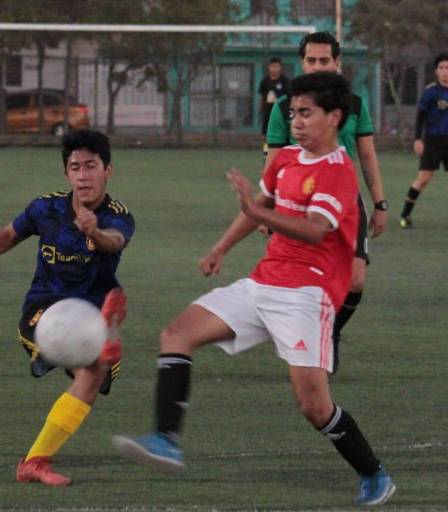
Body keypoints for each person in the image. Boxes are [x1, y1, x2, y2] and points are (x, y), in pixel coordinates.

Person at [113, 72, 396, 507]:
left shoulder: (338, 173)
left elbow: (315, 230)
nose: (296, 122)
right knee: (177, 333)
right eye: (293, 113)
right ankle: (167, 439)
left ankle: (374, 473)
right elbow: (260, 208)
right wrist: (220, 248)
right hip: (263, 282)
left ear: (335, 116)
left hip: (308, 295)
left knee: (315, 408)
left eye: (306, 113)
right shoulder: (285, 159)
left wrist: (254, 209)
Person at [0, 129, 134, 486]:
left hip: (85, 316)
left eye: (91, 166)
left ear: (108, 170)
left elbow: (113, 243)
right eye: (75, 167)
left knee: (92, 376)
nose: (83, 175)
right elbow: (7, 237)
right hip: (42, 311)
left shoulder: (118, 217)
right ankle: (105, 329)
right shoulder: (46, 208)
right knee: (90, 363)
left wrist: (94, 233)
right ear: (67, 173)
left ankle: (35, 462)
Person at [263, 31, 387, 373]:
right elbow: (274, 161)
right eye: (311, 60)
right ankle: (302, 337)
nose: (318, 66)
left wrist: (380, 203)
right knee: (299, 277)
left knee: (356, 280)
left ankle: (327, 333)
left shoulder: (355, 104)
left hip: (346, 203)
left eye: (324, 60)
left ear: (338, 63)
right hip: (295, 204)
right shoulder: (286, 106)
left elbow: (367, 155)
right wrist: (266, 210)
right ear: (301, 63)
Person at [398, 53, 448, 228]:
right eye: (441, 68)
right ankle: (405, 215)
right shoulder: (431, 92)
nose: (445, 72)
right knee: (424, 178)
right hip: (433, 140)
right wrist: (418, 139)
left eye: (447, 68)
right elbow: (421, 116)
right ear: (436, 71)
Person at [258, 57, 289, 154]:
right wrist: (261, 111)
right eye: (272, 66)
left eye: (276, 66)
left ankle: (282, 155)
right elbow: (262, 97)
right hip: (267, 113)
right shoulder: (265, 81)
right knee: (265, 136)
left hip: (281, 114)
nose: (274, 69)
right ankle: (266, 154)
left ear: (280, 68)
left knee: (283, 135)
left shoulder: (285, 82)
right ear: (268, 67)